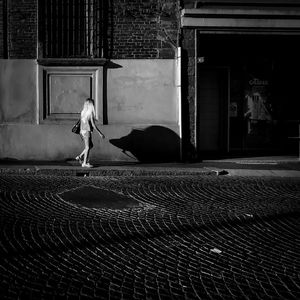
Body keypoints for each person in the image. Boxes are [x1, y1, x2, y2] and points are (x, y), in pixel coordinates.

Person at [76, 98, 105, 168]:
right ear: (91, 105)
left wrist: (80, 131)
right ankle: (84, 163)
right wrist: (100, 133)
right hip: (87, 132)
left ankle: (80, 156)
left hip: (82, 131)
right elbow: (93, 125)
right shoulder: (90, 114)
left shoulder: (82, 112)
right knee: (88, 147)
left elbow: (81, 123)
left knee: (90, 145)